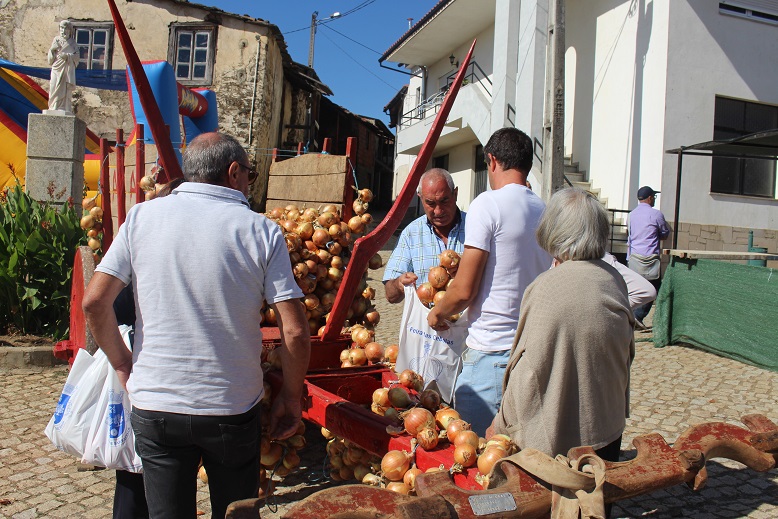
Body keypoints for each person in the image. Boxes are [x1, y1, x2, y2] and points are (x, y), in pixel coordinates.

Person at [82, 132, 311, 519]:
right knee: (236, 512)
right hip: (231, 408)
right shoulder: (260, 230)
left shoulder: (142, 216)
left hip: (156, 405)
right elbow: (294, 330)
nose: (248, 182)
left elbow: (94, 303)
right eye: (249, 175)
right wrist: (290, 397)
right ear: (234, 171)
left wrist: (123, 364)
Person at [489, 187, 635, 462]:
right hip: (606, 427)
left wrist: (501, 424)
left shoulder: (545, 288)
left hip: (556, 440)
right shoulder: (614, 280)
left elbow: (525, 369)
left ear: (553, 230)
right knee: (601, 502)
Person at [427, 128, 551, 436]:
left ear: (492, 161)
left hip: (491, 354)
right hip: (531, 352)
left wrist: (437, 313)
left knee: (478, 456)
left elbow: (464, 290)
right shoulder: (545, 210)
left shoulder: (488, 204)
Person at [110, 178, 183, 519]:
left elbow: (109, 307)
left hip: (153, 383)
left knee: (138, 470)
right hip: (215, 396)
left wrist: (122, 363)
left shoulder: (143, 238)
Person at [383, 168, 466, 303]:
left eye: (444, 201)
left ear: (455, 194)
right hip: (424, 323)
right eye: (430, 203)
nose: (438, 211)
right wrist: (399, 284)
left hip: (469, 323)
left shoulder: (476, 227)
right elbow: (390, 295)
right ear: (420, 198)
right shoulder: (411, 233)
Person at [627, 185, 670, 328]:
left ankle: (629, 315)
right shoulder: (656, 214)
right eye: (654, 197)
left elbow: (630, 236)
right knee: (653, 289)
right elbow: (665, 233)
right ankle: (638, 316)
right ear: (650, 198)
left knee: (633, 288)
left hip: (634, 258)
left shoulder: (631, 215)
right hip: (650, 260)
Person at [47, 20, 78, 113]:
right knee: (53, 86)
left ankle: (63, 107)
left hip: (66, 69)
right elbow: (50, 60)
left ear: (69, 30)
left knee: (65, 89)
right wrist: (52, 49)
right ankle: (53, 106)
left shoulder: (72, 43)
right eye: (62, 28)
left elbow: (77, 57)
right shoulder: (56, 40)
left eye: (66, 28)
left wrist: (67, 56)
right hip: (56, 68)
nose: (63, 30)